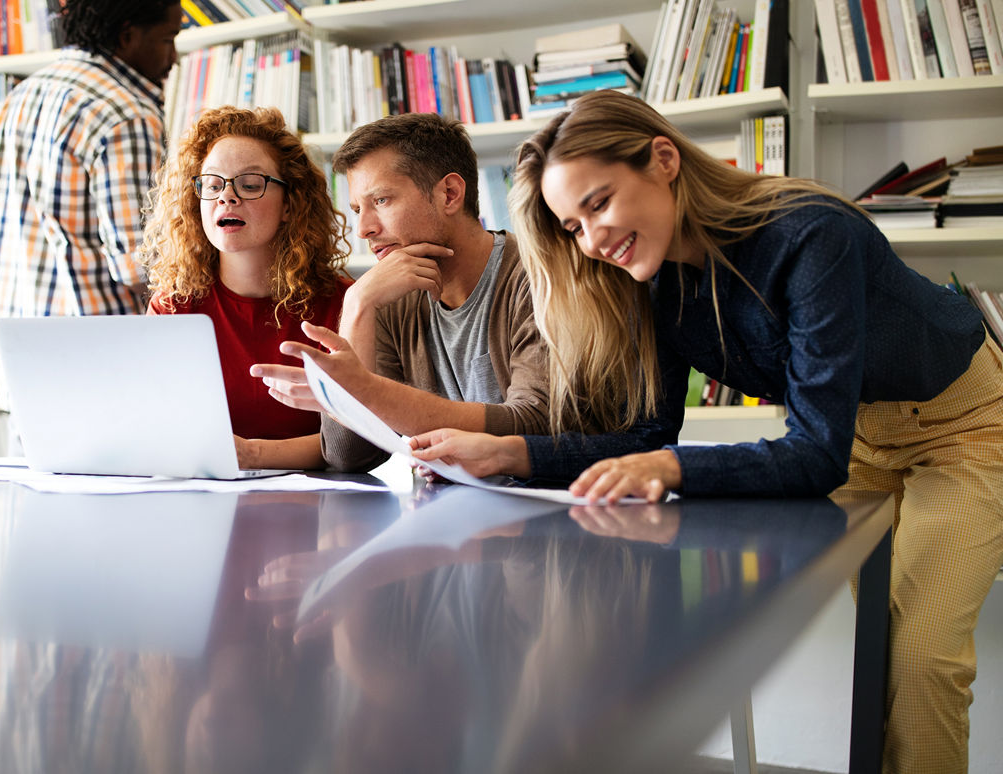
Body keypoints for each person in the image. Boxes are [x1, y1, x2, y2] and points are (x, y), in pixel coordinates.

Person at [409, 90, 1003, 773]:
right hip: (859, 437)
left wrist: (673, 467)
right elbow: (649, 433)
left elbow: (813, 454)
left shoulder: (811, 233)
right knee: (885, 645)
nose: (593, 241)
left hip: (961, 422)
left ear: (663, 160)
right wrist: (509, 451)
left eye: (599, 203)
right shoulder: (658, 282)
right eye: (573, 226)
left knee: (922, 656)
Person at [250, 113, 550, 473]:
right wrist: (358, 306)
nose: (363, 229)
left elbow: (535, 423)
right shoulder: (388, 297)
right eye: (358, 209)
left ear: (449, 194)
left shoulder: (536, 275)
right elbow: (350, 456)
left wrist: (366, 391)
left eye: (381, 201)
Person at [0, 0, 182, 398]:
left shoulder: (15, 100)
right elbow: (141, 264)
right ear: (127, 35)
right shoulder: (126, 113)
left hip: (19, 366)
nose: (173, 57)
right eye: (167, 39)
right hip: (98, 369)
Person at [142, 106, 352, 470]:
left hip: (323, 512)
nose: (227, 197)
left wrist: (254, 455)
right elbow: (156, 427)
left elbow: (359, 440)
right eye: (212, 184)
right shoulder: (172, 307)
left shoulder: (344, 303)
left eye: (250, 184)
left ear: (290, 204)